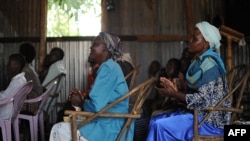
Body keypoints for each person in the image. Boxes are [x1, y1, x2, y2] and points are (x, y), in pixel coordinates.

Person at [146, 21, 231, 141]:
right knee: (155, 119)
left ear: (206, 44)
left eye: (194, 39)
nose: (189, 40)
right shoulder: (197, 62)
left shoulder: (211, 66)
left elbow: (202, 100)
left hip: (209, 121)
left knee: (160, 125)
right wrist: (176, 87)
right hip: (196, 114)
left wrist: (173, 93)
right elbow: (194, 92)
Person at [49, 32, 132, 141]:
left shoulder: (108, 68)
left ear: (105, 50)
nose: (91, 47)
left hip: (108, 129)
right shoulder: (111, 67)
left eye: (96, 44)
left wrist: (81, 102)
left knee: (58, 128)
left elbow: (96, 106)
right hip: (112, 123)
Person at [18, 42, 43, 113]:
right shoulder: (30, 68)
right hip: (36, 101)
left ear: (23, 56)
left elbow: (21, 92)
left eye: (19, 53)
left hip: (31, 104)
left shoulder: (25, 71)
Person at [0, 53, 26, 119]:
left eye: (9, 64)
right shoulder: (22, 79)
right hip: (13, 110)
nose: (7, 66)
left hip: (6, 112)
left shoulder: (17, 82)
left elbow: (4, 97)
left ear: (17, 66)